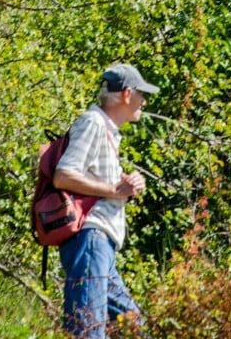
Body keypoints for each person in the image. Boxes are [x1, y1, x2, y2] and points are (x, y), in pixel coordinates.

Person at [54, 63, 159, 338]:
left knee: (134, 328)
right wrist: (114, 190)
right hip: (91, 239)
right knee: (87, 330)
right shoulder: (93, 123)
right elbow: (63, 176)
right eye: (141, 94)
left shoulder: (108, 130)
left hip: (102, 245)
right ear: (126, 94)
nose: (143, 101)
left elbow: (100, 182)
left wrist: (128, 185)